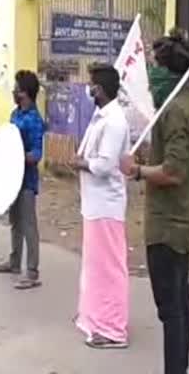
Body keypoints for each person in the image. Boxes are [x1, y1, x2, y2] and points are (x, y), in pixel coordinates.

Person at [120, 34, 189, 374]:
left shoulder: (175, 109)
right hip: (185, 215)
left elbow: (172, 171)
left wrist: (137, 170)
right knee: (181, 300)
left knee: (170, 308)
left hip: (168, 222)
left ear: (169, 70)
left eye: (155, 66)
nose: (151, 74)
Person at [70, 64, 131, 349]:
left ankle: (114, 330)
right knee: (95, 266)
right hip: (94, 204)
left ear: (101, 89)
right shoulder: (100, 116)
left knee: (109, 268)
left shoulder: (115, 120)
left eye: (91, 84)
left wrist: (80, 163)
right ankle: (93, 317)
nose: (88, 88)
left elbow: (106, 165)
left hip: (107, 206)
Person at [0, 70, 45, 290]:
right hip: (11, 178)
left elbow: (36, 154)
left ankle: (32, 271)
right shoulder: (15, 114)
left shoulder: (34, 120)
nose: (13, 91)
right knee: (15, 222)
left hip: (27, 181)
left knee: (29, 225)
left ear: (25, 92)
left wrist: (16, 156)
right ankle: (14, 262)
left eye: (16, 88)